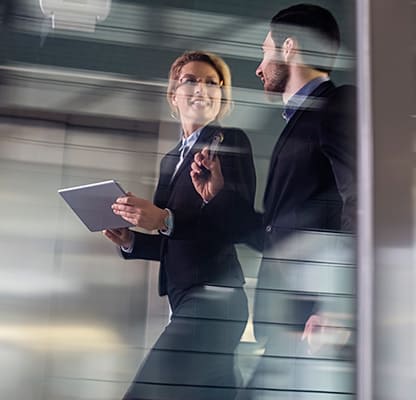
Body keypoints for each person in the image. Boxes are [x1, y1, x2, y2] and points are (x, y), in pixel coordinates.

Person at [191, 4, 356, 397]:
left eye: (265, 52)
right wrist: (220, 197)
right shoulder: (303, 121)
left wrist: (339, 305)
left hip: (316, 320)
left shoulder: (336, 106)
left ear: (288, 48)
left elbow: (363, 202)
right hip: (294, 319)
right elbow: (278, 234)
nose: (259, 67)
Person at [103, 50, 256, 400]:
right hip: (183, 298)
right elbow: (176, 240)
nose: (202, 88)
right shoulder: (172, 160)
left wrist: (163, 219)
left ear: (222, 98)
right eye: (191, 80)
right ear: (174, 95)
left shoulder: (229, 143)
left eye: (211, 83)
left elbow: (234, 223)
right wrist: (131, 241)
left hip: (215, 298)